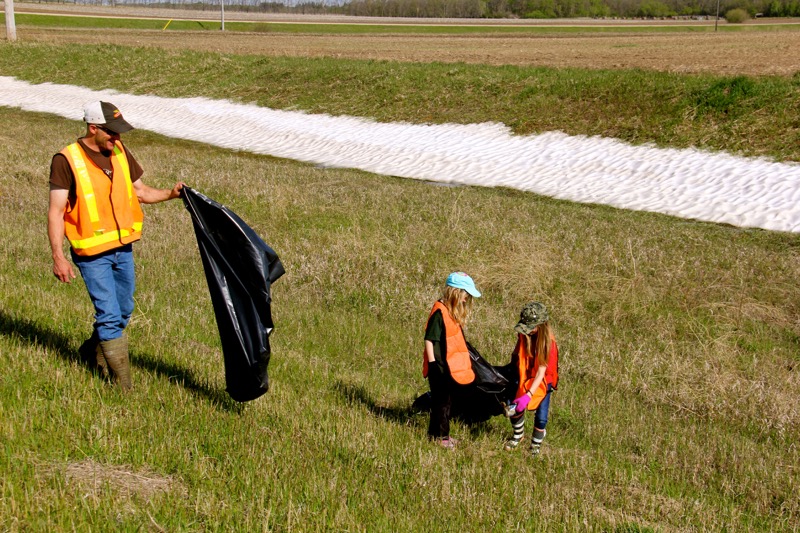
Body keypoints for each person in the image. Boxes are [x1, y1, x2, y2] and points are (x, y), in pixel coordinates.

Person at [48, 101, 185, 391]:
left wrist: (170, 194)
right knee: (109, 316)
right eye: (111, 133)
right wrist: (58, 256)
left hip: (123, 247)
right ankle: (124, 387)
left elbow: (140, 191)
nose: (117, 139)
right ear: (93, 128)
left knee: (123, 310)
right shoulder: (66, 160)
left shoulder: (120, 151)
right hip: (92, 253)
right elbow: (56, 211)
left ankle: (90, 352)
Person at [422, 272, 481, 449]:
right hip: (438, 367)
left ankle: (435, 435)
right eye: (465, 293)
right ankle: (442, 438)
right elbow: (429, 339)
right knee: (443, 403)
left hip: (448, 367)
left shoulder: (449, 312)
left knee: (443, 401)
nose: (467, 298)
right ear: (456, 291)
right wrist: (432, 365)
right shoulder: (439, 312)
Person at [503, 302, 559, 455]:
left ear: (540, 326)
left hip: (543, 381)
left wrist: (528, 395)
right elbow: (517, 353)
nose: (527, 332)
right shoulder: (524, 334)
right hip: (524, 375)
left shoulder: (549, 344)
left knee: (541, 417)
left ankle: (535, 445)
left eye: (530, 328)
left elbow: (541, 372)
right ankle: (518, 435)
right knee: (513, 406)